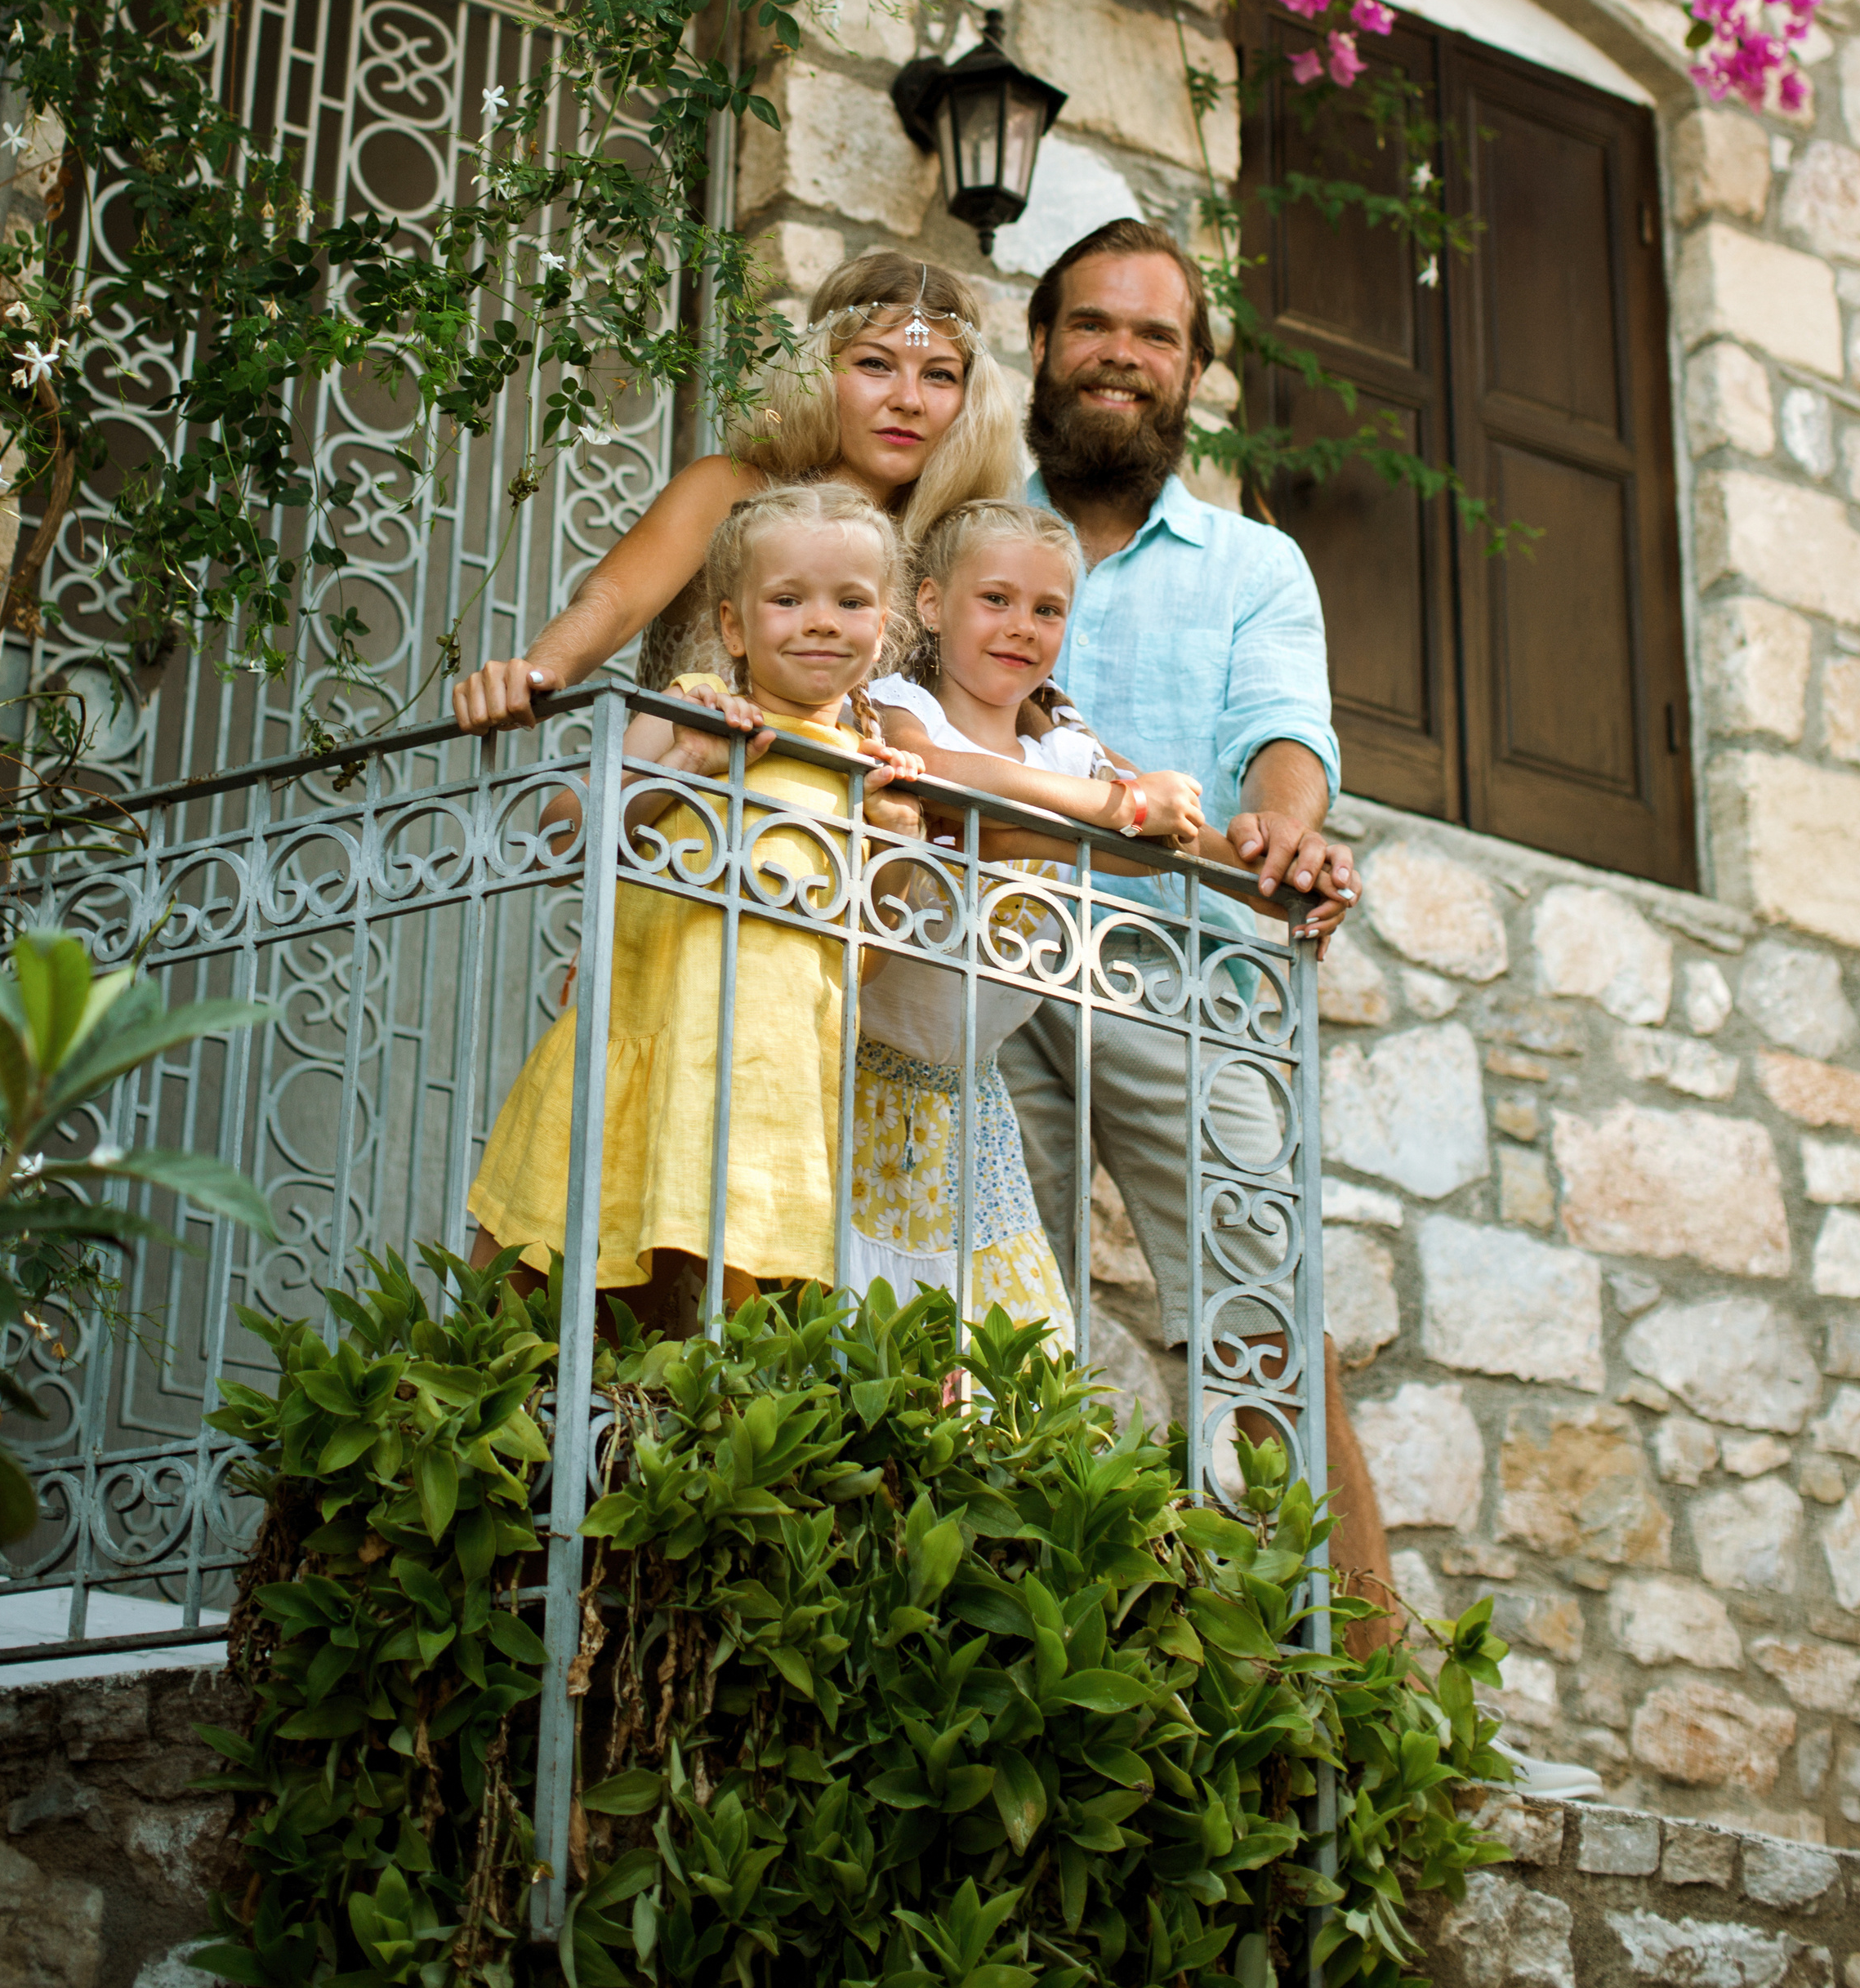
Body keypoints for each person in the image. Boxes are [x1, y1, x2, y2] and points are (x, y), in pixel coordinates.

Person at [992, 216, 1398, 1643]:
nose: (1121, 355)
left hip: (1186, 975)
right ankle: (1002, 1639)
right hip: (984, 961)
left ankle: (1354, 1672)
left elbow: (1283, 731)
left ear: (1194, 373)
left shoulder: (1252, 567)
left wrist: (1286, 820)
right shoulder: (963, 538)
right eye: (1094, 324)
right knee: (987, 1310)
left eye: (1154, 335)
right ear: (1040, 345)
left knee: (1261, 1311)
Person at [466, 482, 925, 1333]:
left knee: (714, 1329)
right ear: (732, 627)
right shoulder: (692, 706)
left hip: (767, 1078)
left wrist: (895, 840)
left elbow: (861, 957)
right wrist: (684, 762)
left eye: (850, 601)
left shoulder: (865, 768)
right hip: (642, 1040)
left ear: (885, 622)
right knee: (531, 1303)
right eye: (787, 600)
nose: (820, 621)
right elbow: (564, 835)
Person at [855, 497, 1211, 1351]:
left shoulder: (1060, 747)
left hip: (967, 1098)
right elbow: (939, 779)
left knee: (1007, 1346)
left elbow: (1155, 843)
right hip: (857, 1077)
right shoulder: (900, 707)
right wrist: (1112, 805)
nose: (1023, 627)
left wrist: (1273, 858)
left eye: (1048, 610)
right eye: (997, 601)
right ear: (933, 606)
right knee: (857, 1314)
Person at [448, 250, 1022, 736]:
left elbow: (1023, 701)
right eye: (876, 364)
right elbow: (610, 603)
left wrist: (1104, 775)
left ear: (971, 399)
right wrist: (536, 674)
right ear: (818, 369)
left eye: (940, 374)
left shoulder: (949, 554)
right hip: (684, 832)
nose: (910, 399)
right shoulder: (729, 489)